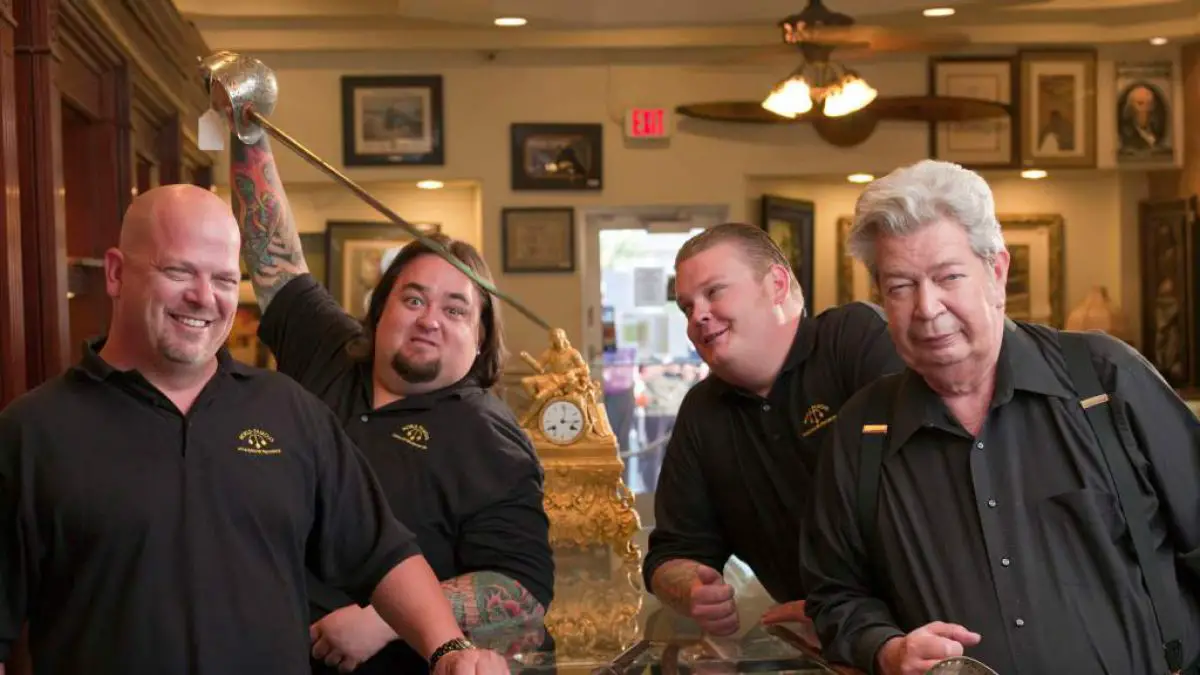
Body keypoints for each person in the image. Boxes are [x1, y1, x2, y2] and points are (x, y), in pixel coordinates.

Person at [0, 185, 508, 675]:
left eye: (224, 280)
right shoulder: (32, 433)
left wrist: (449, 649)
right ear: (115, 273)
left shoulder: (290, 411)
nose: (204, 297)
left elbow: (383, 553)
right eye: (179, 271)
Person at [800, 159, 1200, 675]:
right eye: (900, 286)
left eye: (949, 277)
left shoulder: (1104, 381)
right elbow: (835, 595)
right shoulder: (863, 429)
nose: (927, 308)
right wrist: (887, 648)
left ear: (996, 272)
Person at [229, 133, 553, 674]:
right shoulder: (332, 353)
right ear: (380, 310)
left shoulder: (488, 435)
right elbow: (272, 255)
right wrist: (246, 129)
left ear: (480, 339)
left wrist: (385, 618)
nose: (429, 320)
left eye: (455, 310)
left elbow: (522, 592)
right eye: (414, 299)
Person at [643, 222, 904, 636]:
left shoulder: (852, 340)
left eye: (714, 292)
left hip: (924, 627)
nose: (698, 317)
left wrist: (844, 614)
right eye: (687, 308)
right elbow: (671, 553)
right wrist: (691, 588)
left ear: (776, 285)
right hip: (817, 648)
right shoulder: (702, 411)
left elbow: (932, 491)